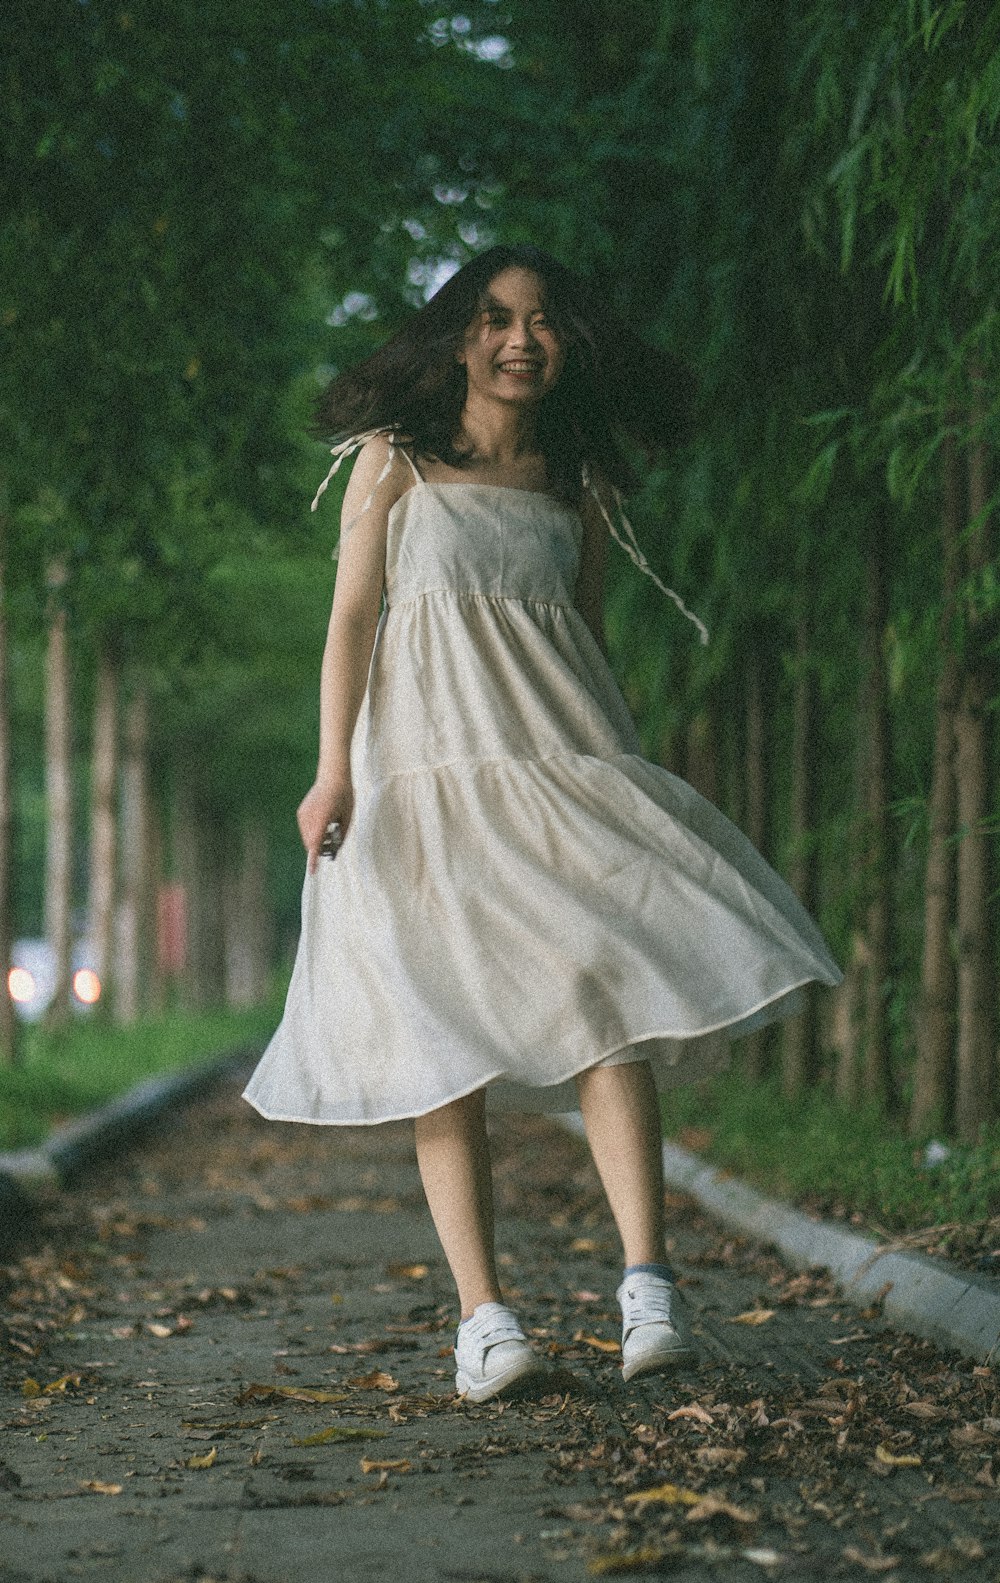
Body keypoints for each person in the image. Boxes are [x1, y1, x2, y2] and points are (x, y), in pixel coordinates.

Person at [242, 244, 842, 1403]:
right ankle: (486, 1320)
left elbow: (582, 641)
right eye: (494, 318)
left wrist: (614, 770)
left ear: (569, 341)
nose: (521, 338)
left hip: (557, 770)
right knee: (437, 1045)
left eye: (542, 319)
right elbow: (353, 617)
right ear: (456, 338)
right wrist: (333, 773)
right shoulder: (393, 464)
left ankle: (648, 1288)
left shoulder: (577, 481)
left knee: (604, 1009)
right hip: (416, 776)